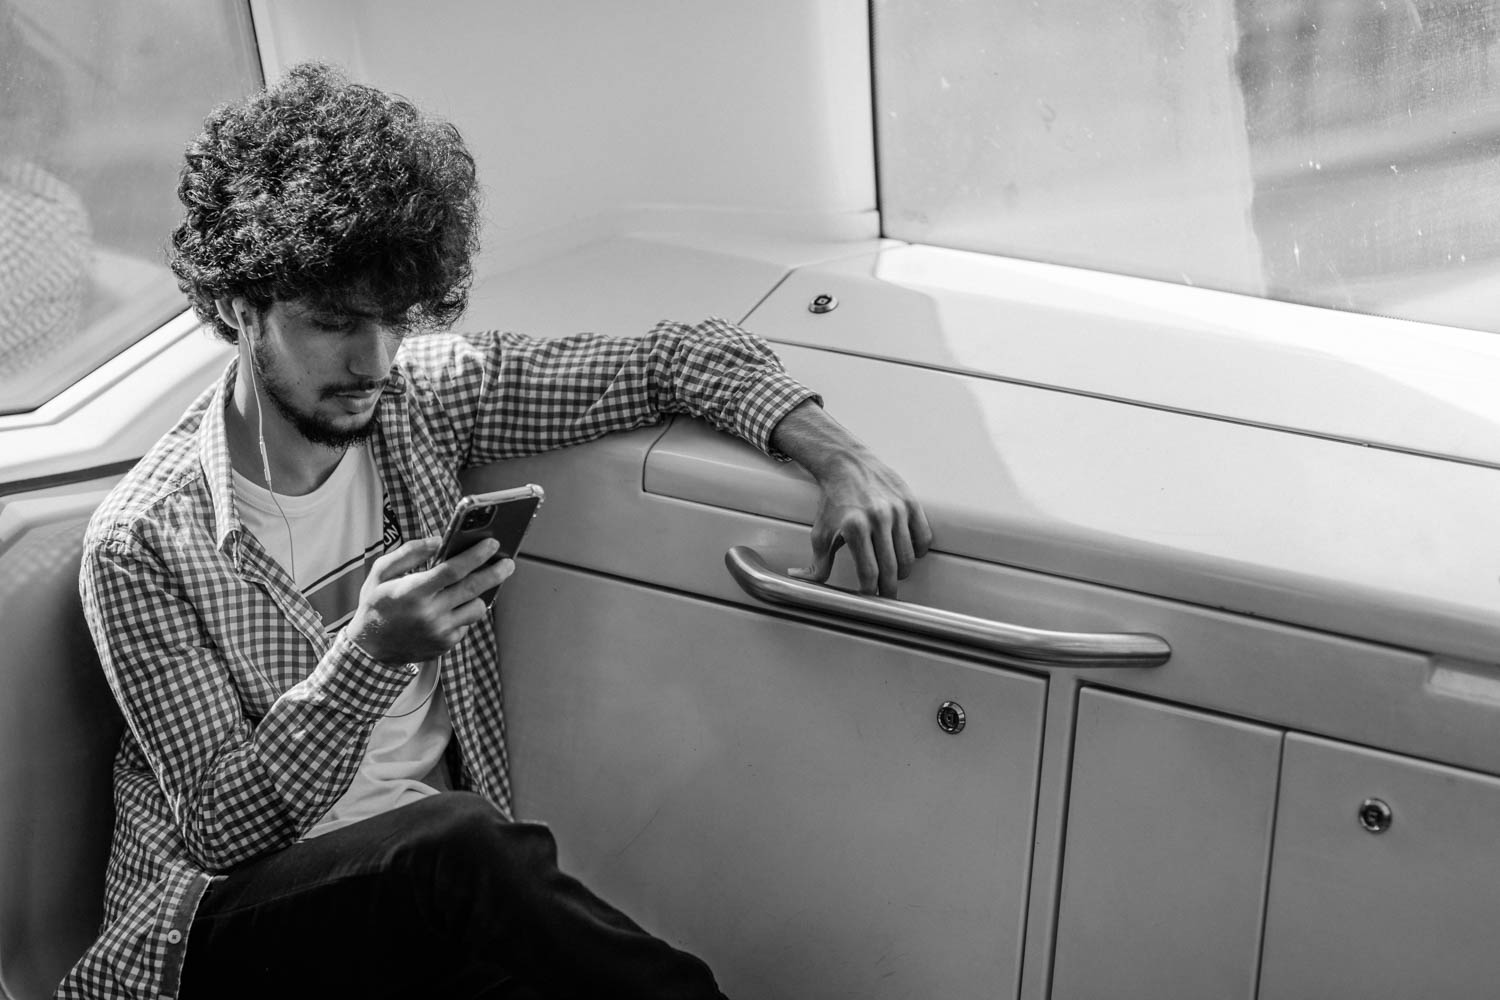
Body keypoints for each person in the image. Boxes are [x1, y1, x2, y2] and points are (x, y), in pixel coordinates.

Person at [61, 63, 931, 1000]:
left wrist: (838, 456)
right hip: (220, 934)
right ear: (240, 309)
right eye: (332, 325)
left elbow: (672, 358)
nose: (373, 360)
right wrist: (368, 658)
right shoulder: (142, 544)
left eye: (393, 321)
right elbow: (220, 829)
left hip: (425, 912)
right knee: (459, 846)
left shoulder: (419, 405)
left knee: (468, 873)